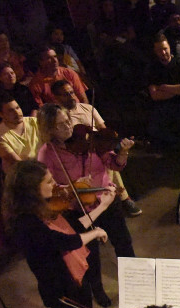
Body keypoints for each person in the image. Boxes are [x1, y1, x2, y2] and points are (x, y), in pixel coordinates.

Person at [2, 160, 120, 308]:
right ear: (32, 189)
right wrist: (96, 233)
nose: (55, 184)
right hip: (62, 287)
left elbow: (74, 227)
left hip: (73, 279)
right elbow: (67, 241)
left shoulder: (41, 208)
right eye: (48, 181)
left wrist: (103, 206)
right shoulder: (27, 223)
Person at [36, 103, 136, 308]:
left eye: (68, 121)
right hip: (79, 210)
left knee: (123, 242)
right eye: (60, 125)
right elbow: (48, 186)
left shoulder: (88, 139)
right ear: (49, 130)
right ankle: (97, 290)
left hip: (107, 199)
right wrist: (73, 186)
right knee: (91, 254)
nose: (68, 127)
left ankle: (135, 282)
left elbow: (114, 164)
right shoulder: (48, 153)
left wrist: (122, 153)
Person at [50, 80, 140, 217]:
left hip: (96, 146)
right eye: (65, 94)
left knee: (107, 157)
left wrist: (107, 139)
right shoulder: (59, 117)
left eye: (72, 92)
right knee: (105, 162)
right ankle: (122, 197)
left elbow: (102, 128)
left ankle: (116, 197)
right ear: (56, 98)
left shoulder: (87, 108)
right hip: (76, 152)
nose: (71, 96)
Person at [147, 33, 180, 150]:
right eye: (159, 50)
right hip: (162, 104)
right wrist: (177, 89)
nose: (163, 52)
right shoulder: (152, 68)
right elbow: (155, 95)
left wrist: (164, 87)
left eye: (165, 49)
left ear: (169, 47)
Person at [0, 96, 42, 173]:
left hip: (43, 167)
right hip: (22, 173)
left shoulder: (34, 122)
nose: (17, 113)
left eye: (17, 108)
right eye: (11, 111)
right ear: (0, 114)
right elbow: (17, 162)